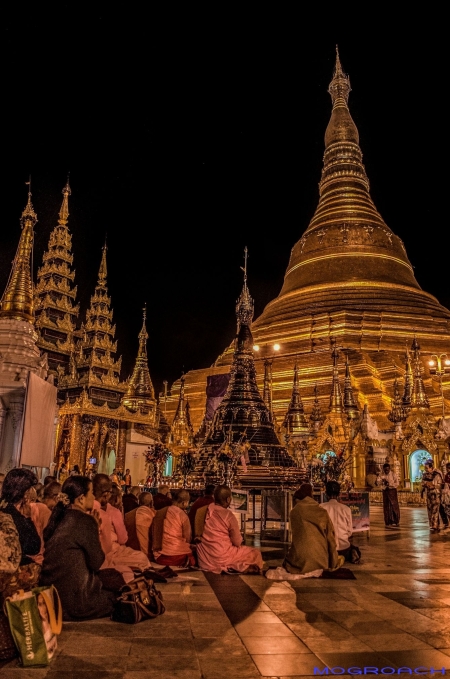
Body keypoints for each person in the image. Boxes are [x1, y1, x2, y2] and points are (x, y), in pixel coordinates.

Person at [40, 476, 119, 621]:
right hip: (76, 603)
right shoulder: (84, 520)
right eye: (91, 493)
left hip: (51, 598)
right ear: (81, 498)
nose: (94, 496)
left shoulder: (59, 517)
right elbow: (97, 562)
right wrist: (95, 527)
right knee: (117, 591)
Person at [93, 474, 150, 581]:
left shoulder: (84, 509)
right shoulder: (105, 514)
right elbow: (121, 540)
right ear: (106, 494)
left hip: (95, 556)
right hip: (107, 554)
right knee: (141, 559)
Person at [196, 485, 263, 574]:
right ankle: (237, 566)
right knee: (255, 553)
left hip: (204, 560)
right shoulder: (228, 515)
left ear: (214, 497)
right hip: (222, 556)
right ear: (228, 499)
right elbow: (237, 542)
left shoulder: (204, 511)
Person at [283, 483, 343, 575]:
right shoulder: (321, 511)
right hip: (321, 561)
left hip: (300, 561)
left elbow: (297, 538)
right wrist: (333, 561)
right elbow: (330, 537)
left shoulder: (294, 512)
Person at [152, 489, 195, 567]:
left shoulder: (161, 512)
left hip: (160, 556)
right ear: (184, 503)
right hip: (177, 556)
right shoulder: (183, 515)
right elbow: (188, 537)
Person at [322, 481, 361, 563]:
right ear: (339, 494)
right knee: (353, 548)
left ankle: (330, 557)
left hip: (326, 549)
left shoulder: (321, 508)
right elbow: (349, 532)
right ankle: (351, 554)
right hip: (344, 549)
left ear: (326, 494)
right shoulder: (346, 509)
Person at [125, 492, 156, 558]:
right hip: (148, 554)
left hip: (131, 551)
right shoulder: (154, 515)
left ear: (138, 502)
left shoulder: (128, 515)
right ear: (151, 502)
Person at [421, 460, 447, 531]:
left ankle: (436, 524)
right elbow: (422, 483)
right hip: (429, 494)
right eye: (425, 468)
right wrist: (426, 484)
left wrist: (434, 486)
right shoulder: (425, 474)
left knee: (436, 510)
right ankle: (432, 524)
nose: (426, 469)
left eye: (427, 468)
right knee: (430, 509)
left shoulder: (437, 473)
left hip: (436, 494)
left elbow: (441, 484)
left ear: (431, 467)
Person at [378, 463, 400, 527]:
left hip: (392, 491)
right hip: (385, 491)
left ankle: (396, 520)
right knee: (386, 507)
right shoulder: (381, 475)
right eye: (385, 470)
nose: (386, 471)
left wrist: (390, 484)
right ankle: (387, 521)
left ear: (389, 469)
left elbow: (397, 483)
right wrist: (382, 483)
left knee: (394, 506)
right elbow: (378, 482)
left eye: (387, 470)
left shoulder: (393, 474)